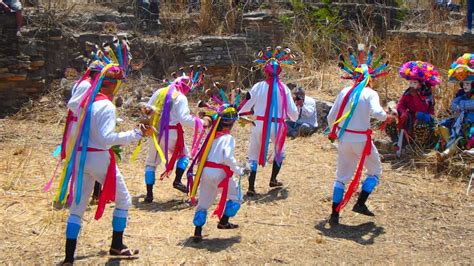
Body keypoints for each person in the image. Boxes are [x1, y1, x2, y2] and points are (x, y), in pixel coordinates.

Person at [55, 39, 150, 264]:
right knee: (124, 200)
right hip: (98, 158)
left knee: (77, 206)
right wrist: (136, 134)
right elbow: (107, 139)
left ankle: (69, 258)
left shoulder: (85, 104)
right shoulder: (105, 105)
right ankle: (117, 246)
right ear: (111, 84)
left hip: (79, 157)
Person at [327, 45, 389, 226]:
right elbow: (379, 114)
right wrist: (388, 115)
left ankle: (334, 215)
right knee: (375, 171)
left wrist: (336, 132)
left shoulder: (344, 92)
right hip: (362, 141)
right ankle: (360, 203)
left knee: (341, 177)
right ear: (370, 78)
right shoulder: (370, 93)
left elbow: (331, 117)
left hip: (344, 139)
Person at [239, 46, 299, 196]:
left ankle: (251, 187)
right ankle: (273, 179)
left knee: (252, 155)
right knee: (280, 152)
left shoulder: (258, 87)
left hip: (258, 123)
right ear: (280, 71)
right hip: (278, 125)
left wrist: (242, 112)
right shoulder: (284, 89)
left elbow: (245, 106)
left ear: (265, 71)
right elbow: (294, 115)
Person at [141, 67, 207, 203]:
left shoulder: (160, 91)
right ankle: (177, 181)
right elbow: (184, 119)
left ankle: (149, 194)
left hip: (155, 132)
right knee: (184, 155)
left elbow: (146, 109)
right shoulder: (181, 97)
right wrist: (201, 123)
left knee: (151, 162)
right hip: (172, 133)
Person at [189, 100, 244, 242]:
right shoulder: (227, 138)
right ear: (231, 123)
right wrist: (239, 170)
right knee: (236, 197)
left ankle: (197, 232)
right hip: (220, 174)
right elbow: (227, 157)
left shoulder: (211, 138)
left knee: (204, 202)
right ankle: (224, 221)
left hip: (206, 172)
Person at [394, 61, 440, 148]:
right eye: (410, 82)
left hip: (424, 118)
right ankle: (397, 141)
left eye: (414, 83)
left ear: (420, 84)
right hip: (410, 117)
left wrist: (415, 96)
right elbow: (400, 104)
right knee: (390, 118)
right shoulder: (408, 93)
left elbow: (422, 109)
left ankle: (418, 146)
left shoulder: (426, 94)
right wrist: (403, 112)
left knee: (420, 123)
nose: (411, 85)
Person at [437, 54, 474, 160]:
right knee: (443, 127)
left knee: (469, 131)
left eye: (468, 83)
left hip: (471, 123)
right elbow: (454, 105)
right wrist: (462, 105)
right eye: (464, 84)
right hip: (460, 120)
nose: (465, 86)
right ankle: (448, 149)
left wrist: (463, 105)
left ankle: (449, 152)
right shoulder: (461, 94)